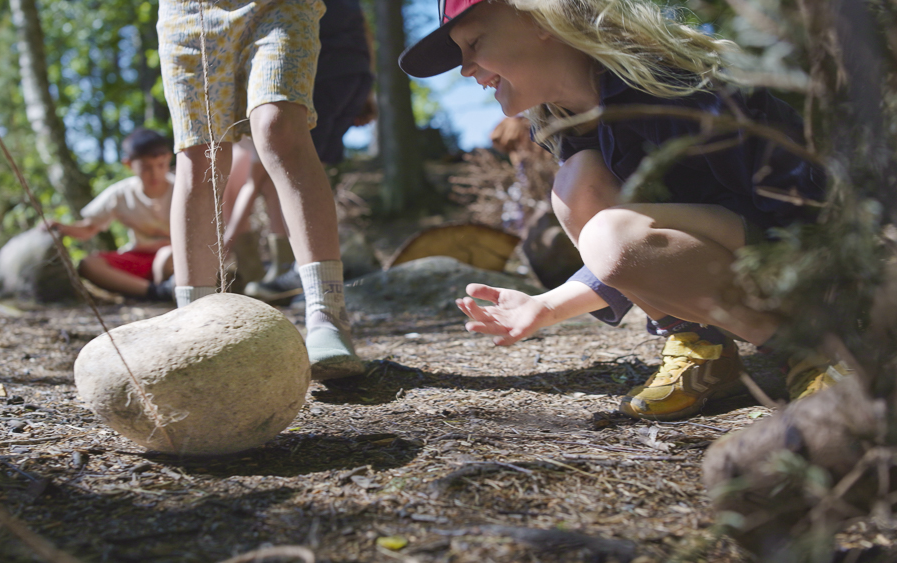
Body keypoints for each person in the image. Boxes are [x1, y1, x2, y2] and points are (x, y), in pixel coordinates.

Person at [400, 0, 842, 420]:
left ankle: (819, 348)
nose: (465, 69)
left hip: (815, 256)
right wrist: (546, 306)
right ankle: (700, 347)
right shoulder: (579, 131)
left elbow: (804, 204)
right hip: (748, 252)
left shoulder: (671, 85)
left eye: (474, 43)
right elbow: (642, 251)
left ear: (540, 19)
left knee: (605, 230)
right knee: (577, 185)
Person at [158, 0, 364, 379]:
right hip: (192, 10)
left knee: (278, 126)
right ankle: (193, 326)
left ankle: (327, 313)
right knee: (199, 155)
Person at [220, 0, 377, 302]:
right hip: (353, 74)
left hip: (321, 69)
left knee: (290, 165)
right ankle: (290, 267)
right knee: (305, 165)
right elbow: (366, 31)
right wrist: (366, 87)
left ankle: (300, 269)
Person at [48, 128, 175, 302]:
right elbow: (88, 228)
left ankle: (159, 290)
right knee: (89, 264)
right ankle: (156, 292)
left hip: (176, 257)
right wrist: (60, 227)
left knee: (166, 256)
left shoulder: (182, 188)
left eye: (161, 165)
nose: (155, 174)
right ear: (128, 164)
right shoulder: (120, 194)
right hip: (138, 259)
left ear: (169, 157)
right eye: (146, 167)